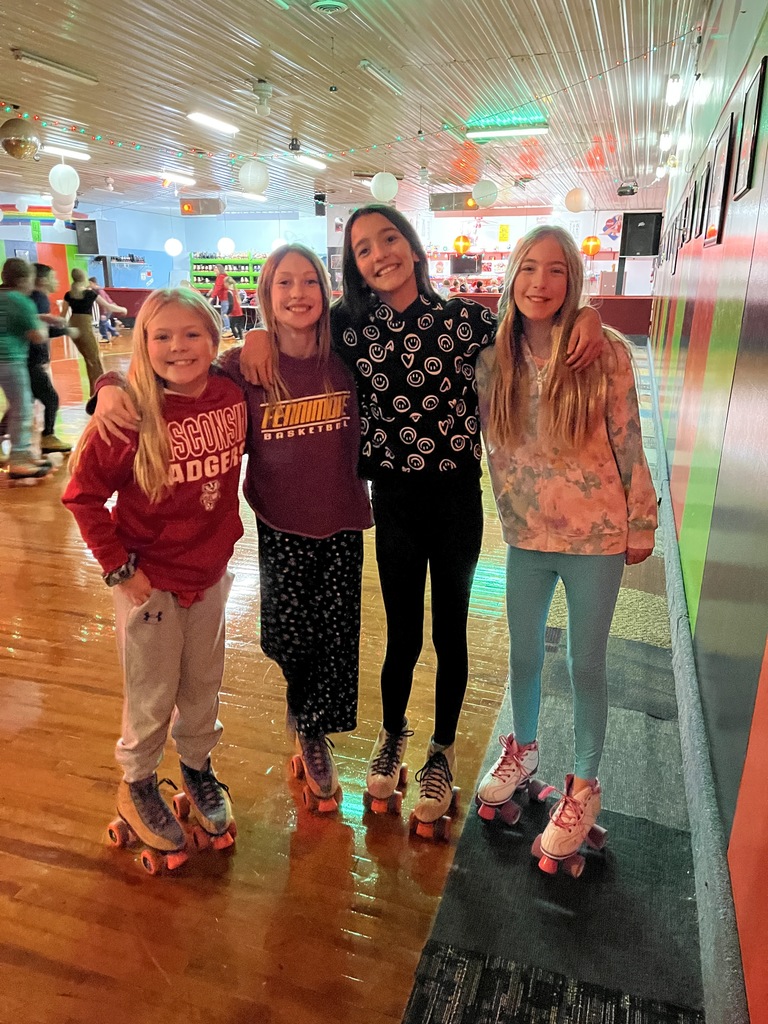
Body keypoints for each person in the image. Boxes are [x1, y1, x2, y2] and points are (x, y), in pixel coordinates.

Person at [239, 205, 605, 835]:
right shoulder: (350, 326)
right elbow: (290, 325)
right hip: (396, 502)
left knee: (449, 633)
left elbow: (535, 325)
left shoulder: (467, 322)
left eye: (388, 239)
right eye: (362, 249)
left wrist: (590, 313)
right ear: (354, 267)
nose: (378, 254)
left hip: (458, 501)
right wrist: (255, 333)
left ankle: (441, 750)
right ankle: (392, 736)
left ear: (411, 247)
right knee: (403, 634)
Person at [86, 246, 373, 814]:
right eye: (283, 282)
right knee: (288, 638)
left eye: (309, 280)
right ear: (265, 294)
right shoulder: (240, 368)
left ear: (328, 288)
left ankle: (311, 731)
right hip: (276, 523)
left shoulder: (348, 351)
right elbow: (162, 365)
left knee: (335, 639)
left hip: (339, 517)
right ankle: (147, 777)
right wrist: (108, 383)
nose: (297, 293)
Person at [473, 226, 657, 871]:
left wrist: (643, 523)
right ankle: (523, 747)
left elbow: (629, 440)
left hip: (596, 536)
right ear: (511, 276)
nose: (540, 283)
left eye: (556, 271)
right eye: (529, 268)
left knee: (585, 665)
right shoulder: (491, 356)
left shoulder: (602, 353)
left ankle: (583, 784)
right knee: (523, 654)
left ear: (572, 281)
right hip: (526, 535)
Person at [62, 288, 245, 862]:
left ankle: (195, 766)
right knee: (150, 693)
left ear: (214, 339)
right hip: (151, 584)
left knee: (201, 684)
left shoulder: (230, 392)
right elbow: (83, 495)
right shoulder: (128, 414)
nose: (177, 347)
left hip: (210, 573)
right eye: (161, 336)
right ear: (142, 343)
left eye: (191, 334)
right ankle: (137, 782)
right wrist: (120, 571)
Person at [0, 258, 54, 481]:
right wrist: (42, 324)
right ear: (24, 280)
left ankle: (21, 454)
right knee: (22, 408)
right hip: (11, 360)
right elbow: (37, 336)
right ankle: (20, 458)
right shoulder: (22, 302)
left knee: (17, 406)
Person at [30, 264, 77, 453]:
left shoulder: (34, 298)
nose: (56, 281)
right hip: (30, 360)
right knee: (51, 398)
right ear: (42, 280)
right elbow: (39, 330)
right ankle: (47, 437)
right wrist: (66, 330)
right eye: (53, 277)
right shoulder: (39, 298)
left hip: (28, 360)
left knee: (24, 403)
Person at [61, 269, 126, 393]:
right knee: (94, 359)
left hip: (73, 324)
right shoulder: (90, 294)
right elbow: (108, 306)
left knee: (88, 358)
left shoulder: (69, 294)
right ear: (84, 278)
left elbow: (62, 316)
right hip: (84, 325)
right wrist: (122, 309)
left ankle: (95, 389)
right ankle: (100, 389)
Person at [89, 277, 120, 342]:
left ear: (92, 283)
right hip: (109, 307)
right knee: (104, 323)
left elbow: (104, 301)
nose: (89, 285)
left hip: (108, 308)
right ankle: (114, 332)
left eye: (89, 283)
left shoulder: (99, 290)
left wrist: (103, 313)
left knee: (102, 323)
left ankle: (105, 337)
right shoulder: (97, 290)